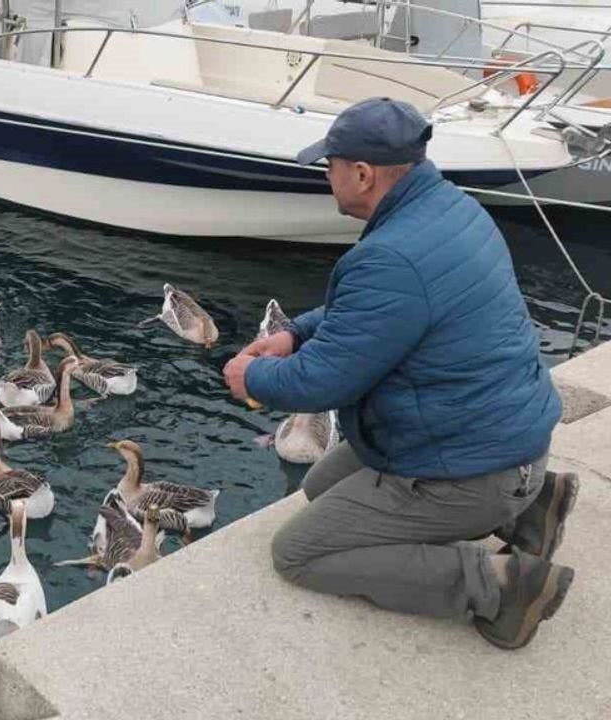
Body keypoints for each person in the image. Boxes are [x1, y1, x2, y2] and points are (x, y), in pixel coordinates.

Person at [223, 97, 577, 650]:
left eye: (330, 165)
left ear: (361, 174)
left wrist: (251, 378)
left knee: (300, 551)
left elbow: (322, 383)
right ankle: (535, 510)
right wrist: (296, 333)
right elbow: (379, 313)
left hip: (478, 465)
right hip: (505, 438)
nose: (327, 175)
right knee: (318, 487)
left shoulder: (392, 257)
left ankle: (502, 587)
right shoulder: (450, 209)